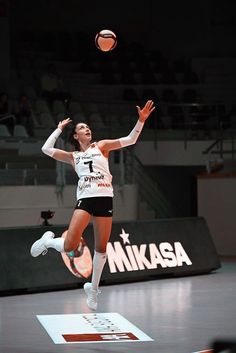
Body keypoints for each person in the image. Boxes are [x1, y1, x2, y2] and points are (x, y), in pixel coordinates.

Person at [30, 100, 155, 310]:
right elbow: (45, 148)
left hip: (105, 198)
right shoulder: (73, 156)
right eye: (81, 128)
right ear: (75, 137)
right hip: (86, 199)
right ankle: (49, 241)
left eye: (88, 127)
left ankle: (93, 289)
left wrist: (140, 120)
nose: (86, 129)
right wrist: (59, 128)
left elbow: (131, 139)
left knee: (101, 248)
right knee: (69, 245)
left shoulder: (102, 146)